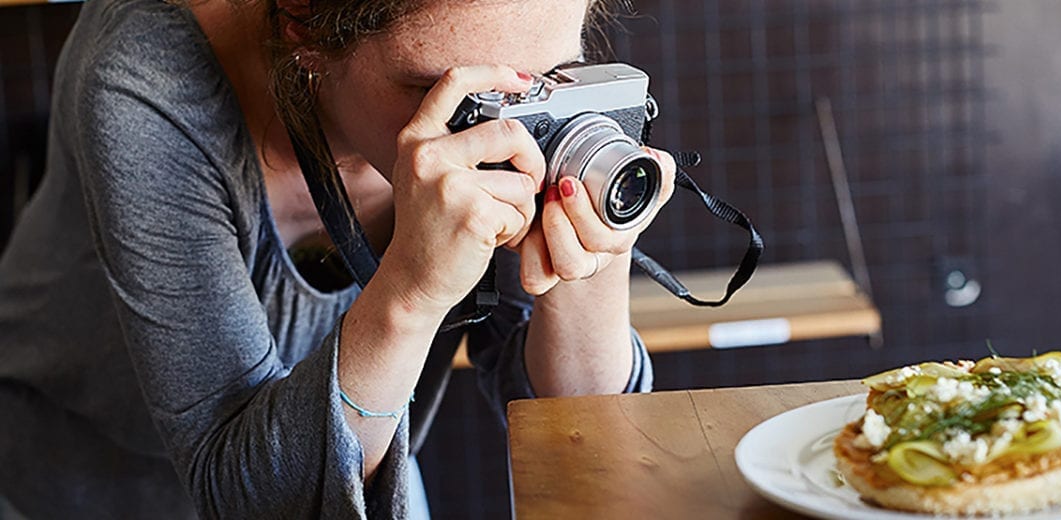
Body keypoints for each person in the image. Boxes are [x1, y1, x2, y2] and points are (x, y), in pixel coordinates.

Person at [0, 0, 676, 517]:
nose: (504, 132)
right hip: (83, 479)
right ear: (305, 26)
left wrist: (593, 247)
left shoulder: (505, 33)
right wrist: (411, 291)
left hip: (355, 471)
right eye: (450, 94)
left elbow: (585, 439)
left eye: (544, 84)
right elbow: (256, 502)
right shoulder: (147, 76)